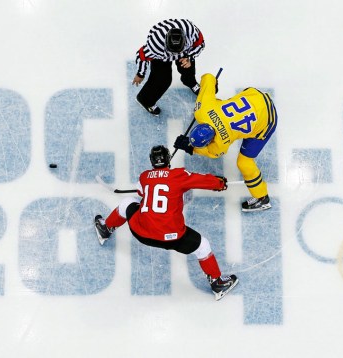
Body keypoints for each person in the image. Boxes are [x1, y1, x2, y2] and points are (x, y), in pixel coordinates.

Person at [93, 145, 238, 301]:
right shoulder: (179, 175)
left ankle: (106, 228)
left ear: (152, 161)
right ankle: (217, 283)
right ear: (169, 159)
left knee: (128, 202)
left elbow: (141, 193)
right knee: (203, 246)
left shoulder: (145, 177)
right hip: (173, 237)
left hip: (141, 232)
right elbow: (203, 180)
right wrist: (219, 183)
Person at [173, 73, 278, 212]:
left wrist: (190, 148)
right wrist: (213, 85)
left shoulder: (221, 142)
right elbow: (209, 78)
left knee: (244, 162)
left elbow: (210, 152)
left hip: (266, 118)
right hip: (255, 95)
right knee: (218, 103)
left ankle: (262, 198)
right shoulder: (202, 110)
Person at [132, 19, 205, 116]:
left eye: (178, 51)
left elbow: (200, 44)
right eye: (173, 52)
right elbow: (141, 56)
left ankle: (190, 82)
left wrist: (189, 57)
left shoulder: (191, 32)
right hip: (162, 56)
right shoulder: (156, 45)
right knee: (162, 80)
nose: (176, 55)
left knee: (188, 68)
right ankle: (145, 100)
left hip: (185, 52)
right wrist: (140, 74)